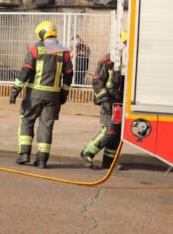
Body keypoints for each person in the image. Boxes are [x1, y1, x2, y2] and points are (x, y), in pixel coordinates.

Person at [9, 20, 73, 168]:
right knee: (46, 126)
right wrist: (64, 93)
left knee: (26, 120)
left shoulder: (36, 49)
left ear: (42, 34)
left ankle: (24, 154)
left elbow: (25, 71)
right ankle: (42, 160)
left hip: (34, 95)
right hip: (53, 97)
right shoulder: (63, 51)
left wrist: (15, 90)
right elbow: (69, 73)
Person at [81, 30, 128, 169]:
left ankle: (109, 162)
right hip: (109, 101)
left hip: (120, 102)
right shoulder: (107, 61)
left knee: (117, 134)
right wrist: (104, 100)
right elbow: (97, 81)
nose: (127, 47)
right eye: (125, 44)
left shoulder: (128, 62)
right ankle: (87, 153)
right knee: (109, 131)